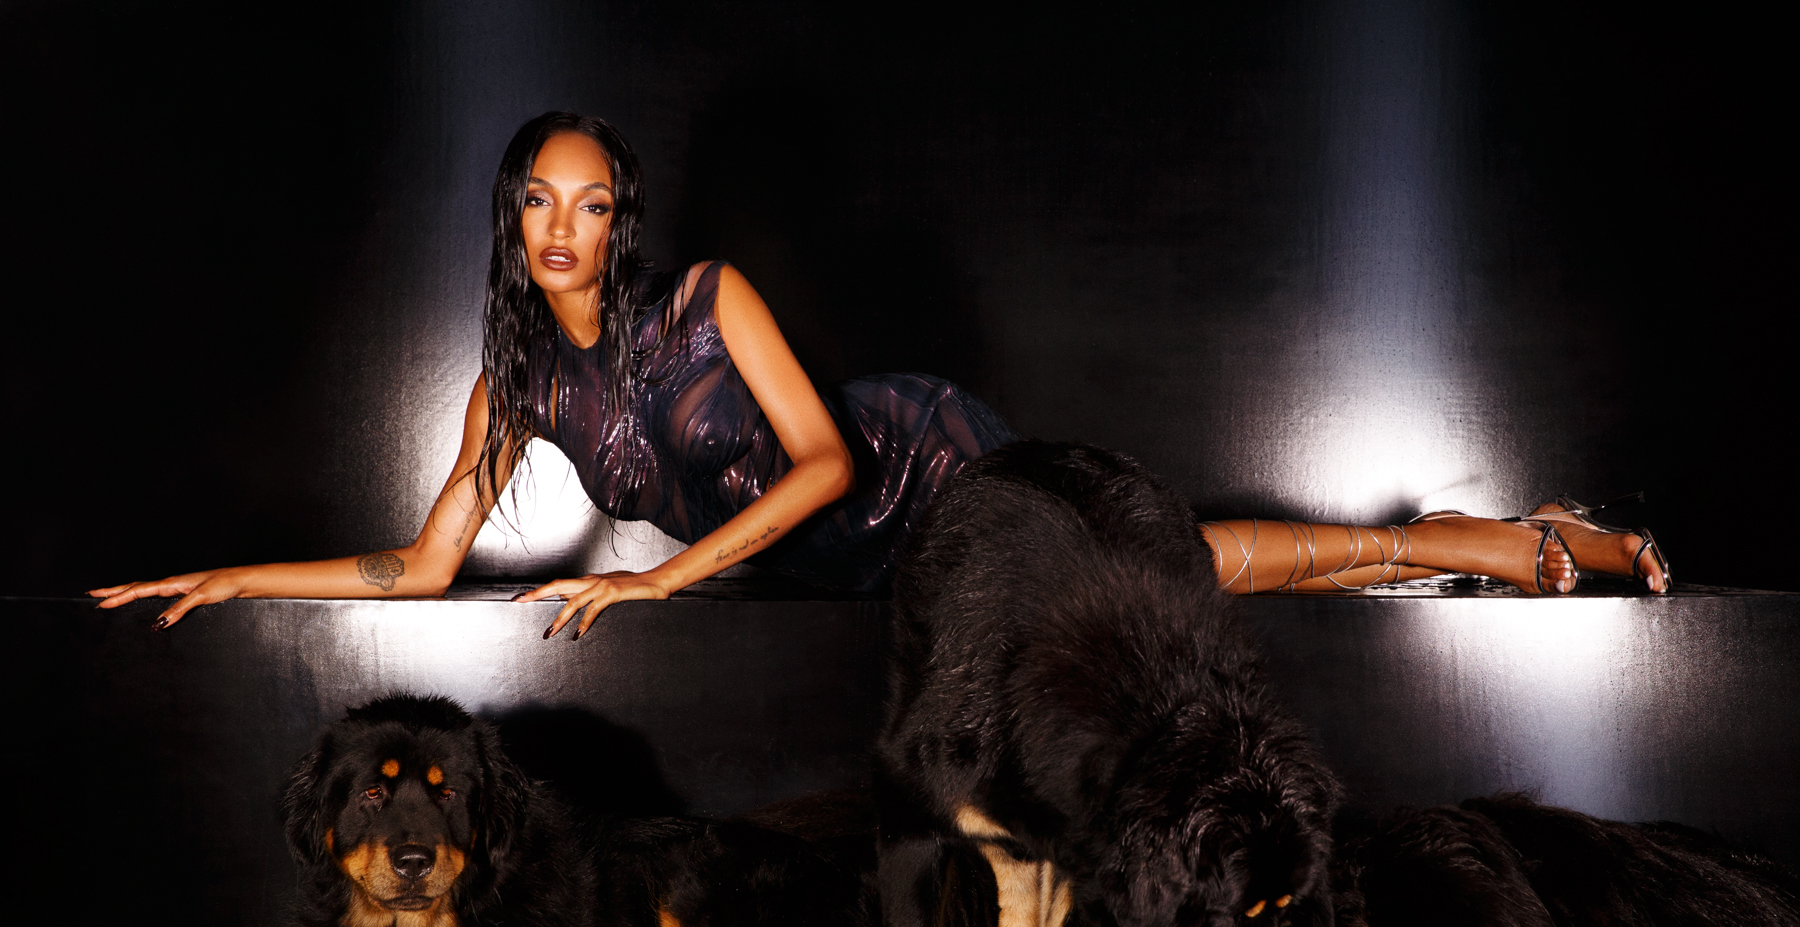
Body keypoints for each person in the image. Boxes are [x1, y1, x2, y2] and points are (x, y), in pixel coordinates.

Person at [92, 113, 1668, 634]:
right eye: (539, 202)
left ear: (619, 222)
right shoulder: (514, 391)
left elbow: (827, 466)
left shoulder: (707, 300)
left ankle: (1500, 545)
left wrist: (657, 587)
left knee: (1152, 562)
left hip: (922, 473)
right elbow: (418, 563)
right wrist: (237, 581)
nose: (567, 227)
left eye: (593, 203)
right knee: (1154, 592)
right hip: (849, 582)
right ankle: (1475, 554)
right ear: (510, 222)